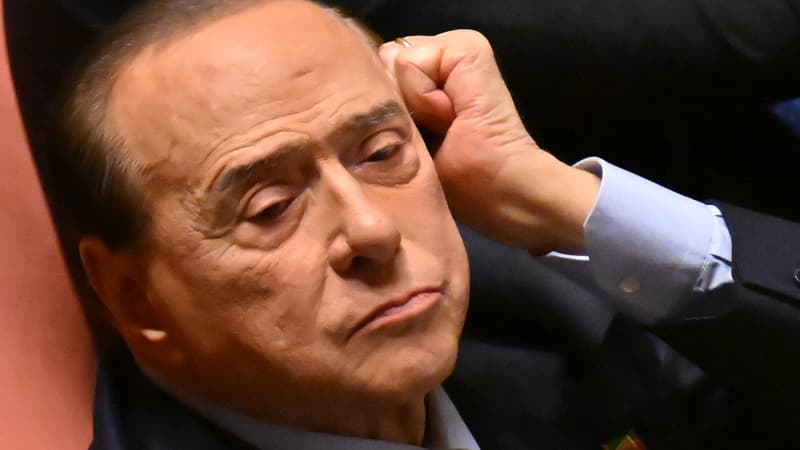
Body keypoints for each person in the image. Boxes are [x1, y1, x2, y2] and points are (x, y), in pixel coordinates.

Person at [49, 0, 800, 449]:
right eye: (270, 207)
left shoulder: (544, 323)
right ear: (134, 294)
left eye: (382, 153)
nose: (373, 231)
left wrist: (561, 203)